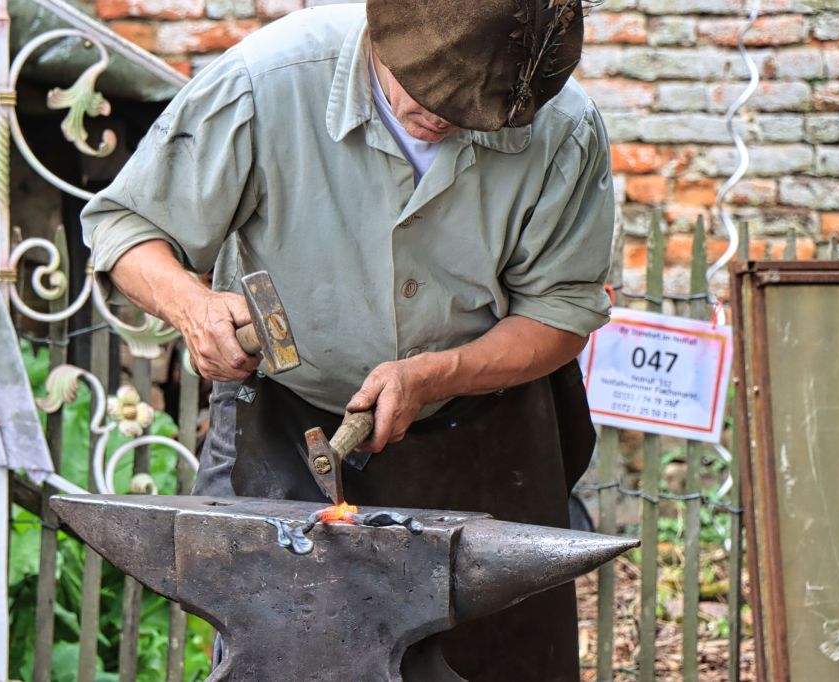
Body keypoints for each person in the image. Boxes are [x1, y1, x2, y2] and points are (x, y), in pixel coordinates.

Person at [82, 2, 614, 679]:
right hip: (286, 421)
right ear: (381, 34)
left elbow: (560, 314)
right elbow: (127, 227)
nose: (443, 119)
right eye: (426, 94)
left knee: (497, 662)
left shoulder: (564, 128)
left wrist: (436, 374)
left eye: (470, 114)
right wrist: (193, 307)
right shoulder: (265, 83)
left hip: (485, 428)